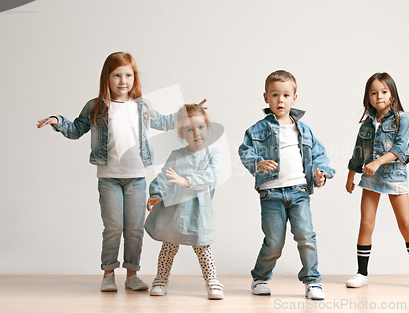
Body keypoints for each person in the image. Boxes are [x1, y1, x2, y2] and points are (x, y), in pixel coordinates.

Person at [37, 52, 196, 292]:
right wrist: (57, 121)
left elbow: (163, 122)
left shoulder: (141, 106)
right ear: (107, 78)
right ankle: (108, 274)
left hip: (136, 178)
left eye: (128, 75)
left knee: (133, 228)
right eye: (117, 75)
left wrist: (187, 114)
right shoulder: (97, 106)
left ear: (134, 78)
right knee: (113, 227)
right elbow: (76, 129)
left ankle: (132, 275)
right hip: (108, 179)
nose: (123, 81)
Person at [238, 70, 335, 300]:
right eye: (274, 95)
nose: (280, 100)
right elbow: (245, 151)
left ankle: (312, 281)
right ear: (266, 98)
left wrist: (320, 173)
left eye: (285, 95)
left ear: (294, 98)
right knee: (274, 242)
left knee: (306, 237)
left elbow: (319, 156)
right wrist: (257, 163)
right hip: (271, 193)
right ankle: (260, 277)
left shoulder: (304, 130)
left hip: (299, 191)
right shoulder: (257, 130)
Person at [345, 72, 409, 289]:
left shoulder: (403, 119)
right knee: (366, 224)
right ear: (368, 97)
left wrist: (377, 163)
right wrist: (350, 176)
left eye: (384, 92)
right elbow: (357, 153)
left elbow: (400, 149)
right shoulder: (366, 125)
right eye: (373, 93)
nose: (379, 96)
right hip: (370, 179)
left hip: (394, 176)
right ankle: (361, 274)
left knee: (406, 224)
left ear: (392, 95)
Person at [145, 104, 223, 300]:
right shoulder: (177, 155)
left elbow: (210, 176)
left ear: (208, 128)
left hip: (199, 212)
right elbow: (164, 177)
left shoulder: (213, 154)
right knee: (168, 247)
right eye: (189, 129)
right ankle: (161, 279)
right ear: (182, 134)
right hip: (176, 212)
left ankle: (212, 280)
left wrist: (187, 181)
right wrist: (157, 194)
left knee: (203, 247)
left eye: (200, 127)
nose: (196, 133)